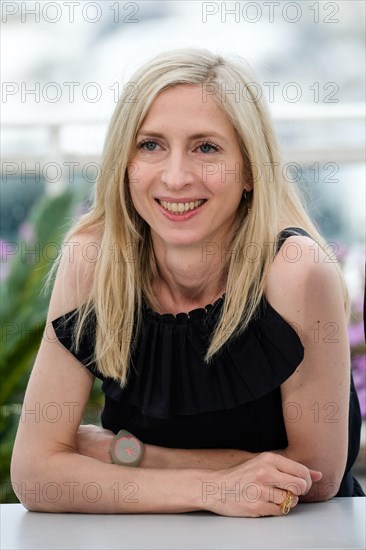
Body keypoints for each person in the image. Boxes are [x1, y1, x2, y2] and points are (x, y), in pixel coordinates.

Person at [11, 48, 364, 517]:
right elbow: (36, 475)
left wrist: (130, 455)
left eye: (207, 148)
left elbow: (315, 477)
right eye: (151, 145)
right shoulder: (93, 261)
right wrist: (213, 489)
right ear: (124, 164)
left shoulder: (297, 272)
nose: (176, 177)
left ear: (249, 172)